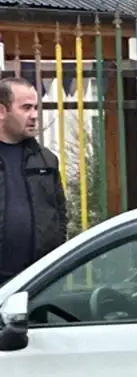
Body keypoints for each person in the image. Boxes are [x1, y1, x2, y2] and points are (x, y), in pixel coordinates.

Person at [0, 75, 68, 285]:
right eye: (26, 108)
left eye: (36, 107)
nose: (34, 115)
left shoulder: (46, 159)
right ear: (2, 111)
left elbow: (60, 214)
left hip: (36, 282)